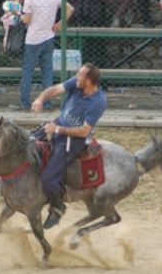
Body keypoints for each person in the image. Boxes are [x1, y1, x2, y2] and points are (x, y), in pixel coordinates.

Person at [30, 63, 107, 229]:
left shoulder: (98, 102)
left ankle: (57, 207)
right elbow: (55, 90)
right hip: (57, 124)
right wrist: (40, 99)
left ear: (89, 81)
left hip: (72, 140)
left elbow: (85, 130)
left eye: (80, 76)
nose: (76, 77)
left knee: (49, 178)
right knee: (27, 143)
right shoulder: (77, 83)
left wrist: (57, 129)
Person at [18, 0, 74, 110]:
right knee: (47, 72)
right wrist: (60, 24)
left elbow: (27, 19)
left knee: (28, 71)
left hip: (33, 39)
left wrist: (18, 14)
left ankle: (25, 103)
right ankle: (47, 103)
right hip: (49, 37)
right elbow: (70, 9)